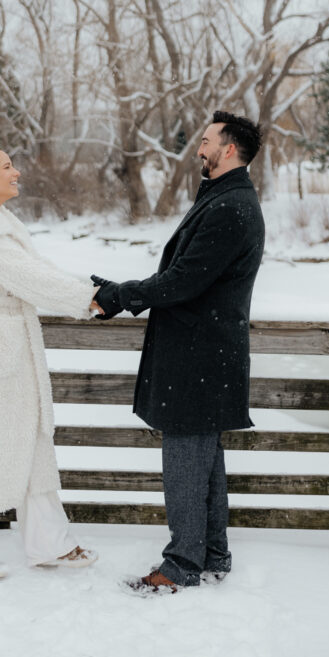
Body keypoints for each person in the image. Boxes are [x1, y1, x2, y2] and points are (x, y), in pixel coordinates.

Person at [92, 111, 265, 595]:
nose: (200, 147)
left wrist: (119, 295)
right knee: (203, 459)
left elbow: (183, 281)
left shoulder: (231, 207)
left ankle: (182, 564)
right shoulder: (224, 198)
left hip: (200, 357)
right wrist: (122, 292)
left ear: (228, 150)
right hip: (203, 352)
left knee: (186, 461)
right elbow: (185, 277)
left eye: (207, 141)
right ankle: (212, 554)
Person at [0, 145, 103, 581]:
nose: (18, 172)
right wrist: (86, 298)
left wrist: (89, 290)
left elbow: (37, 269)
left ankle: (49, 543)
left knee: (30, 440)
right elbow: (26, 277)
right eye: (8, 166)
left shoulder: (0, 220)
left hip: (10, 340)